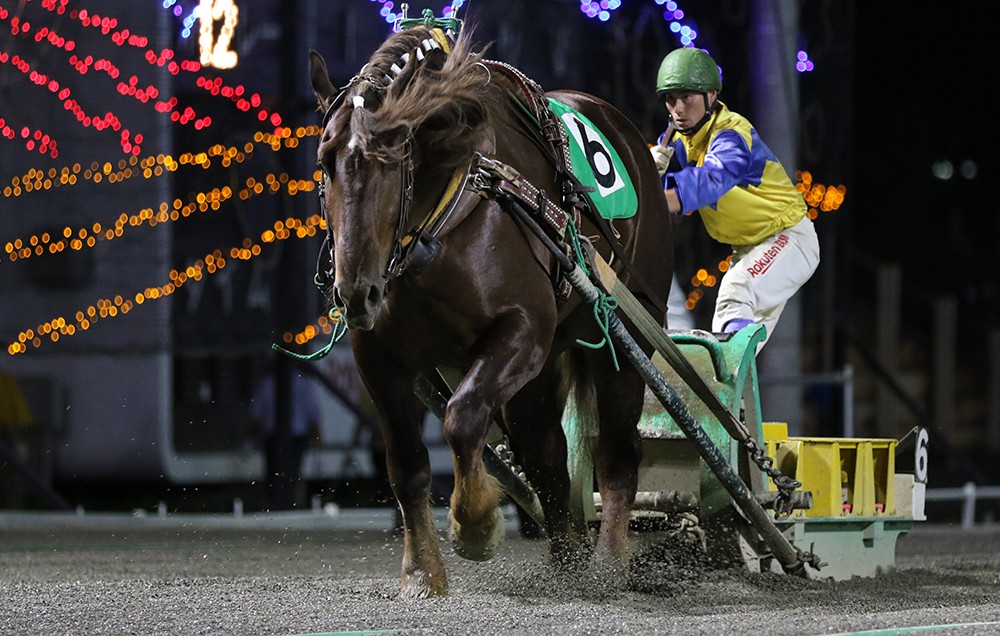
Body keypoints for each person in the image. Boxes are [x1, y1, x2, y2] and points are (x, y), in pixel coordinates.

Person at [649, 47, 819, 348]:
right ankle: (728, 395)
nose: (677, 109)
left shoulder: (731, 133)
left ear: (711, 95)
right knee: (729, 342)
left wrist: (654, 200)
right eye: (670, 99)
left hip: (788, 238)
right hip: (753, 249)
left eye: (686, 97)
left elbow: (714, 179)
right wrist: (650, 168)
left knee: (735, 291)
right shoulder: (681, 139)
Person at [248, 367, 322, 510]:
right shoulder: (303, 383)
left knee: (276, 473)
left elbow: (256, 415)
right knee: (290, 473)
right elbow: (313, 416)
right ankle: (285, 502)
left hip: (280, 437)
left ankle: (277, 502)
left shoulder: (268, 383)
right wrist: (318, 441)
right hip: (290, 436)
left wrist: (249, 438)